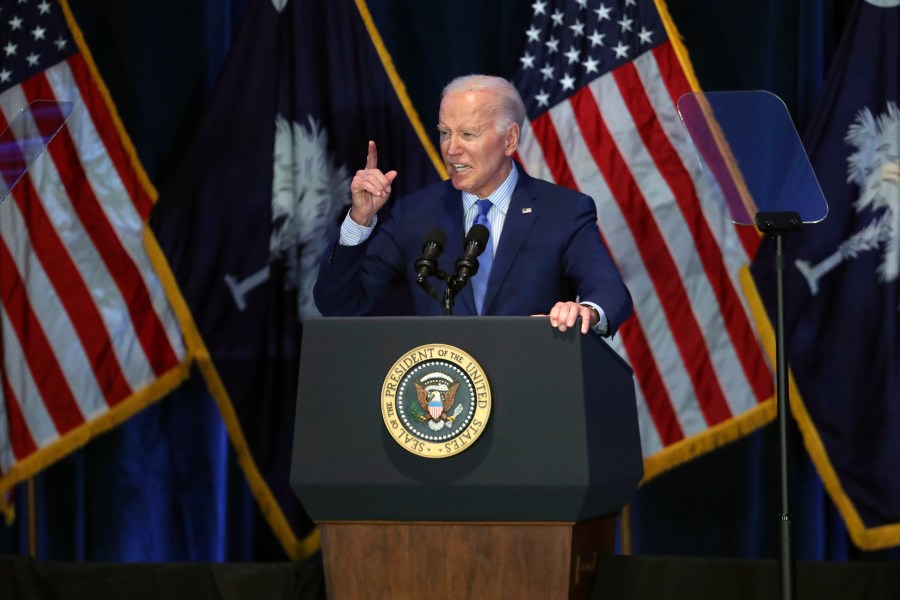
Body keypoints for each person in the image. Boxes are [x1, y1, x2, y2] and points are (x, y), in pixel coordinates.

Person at [314, 74, 632, 336]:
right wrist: (359, 219)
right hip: (441, 403)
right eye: (444, 133)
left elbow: (609, 290)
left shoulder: (563, 211)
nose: (452, 149)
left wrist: (585, 311)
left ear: (509, 139)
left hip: (532, 392)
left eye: (468, 134)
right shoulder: (414, 214)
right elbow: (338, 304)